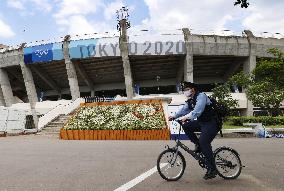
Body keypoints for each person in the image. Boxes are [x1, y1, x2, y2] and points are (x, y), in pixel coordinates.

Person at [169, 81, 219, 180]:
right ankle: (198, 145)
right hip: (202, 123)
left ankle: (212, 169)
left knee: (204, 142)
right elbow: (183, 110)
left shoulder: (201, 96)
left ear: (193, 89)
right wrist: (174, 116)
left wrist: (187, 117)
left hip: (212, 123)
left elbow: (197, 111)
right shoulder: (191, 100)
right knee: (187, 126)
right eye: (185, 90)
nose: (185, 91)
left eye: (187, 89)